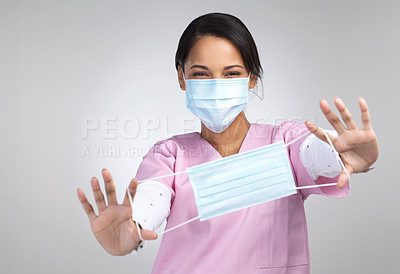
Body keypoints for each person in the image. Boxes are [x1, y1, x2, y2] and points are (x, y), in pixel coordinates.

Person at [77, 12, 378, 274]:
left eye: (231, 73)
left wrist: (339, 152)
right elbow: (150, 198)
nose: (217, 85)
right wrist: (134, 226)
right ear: (182, 78)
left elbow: (312, 154)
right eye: (201, 74)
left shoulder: (284, 143)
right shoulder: (170, 155)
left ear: (251, 79)